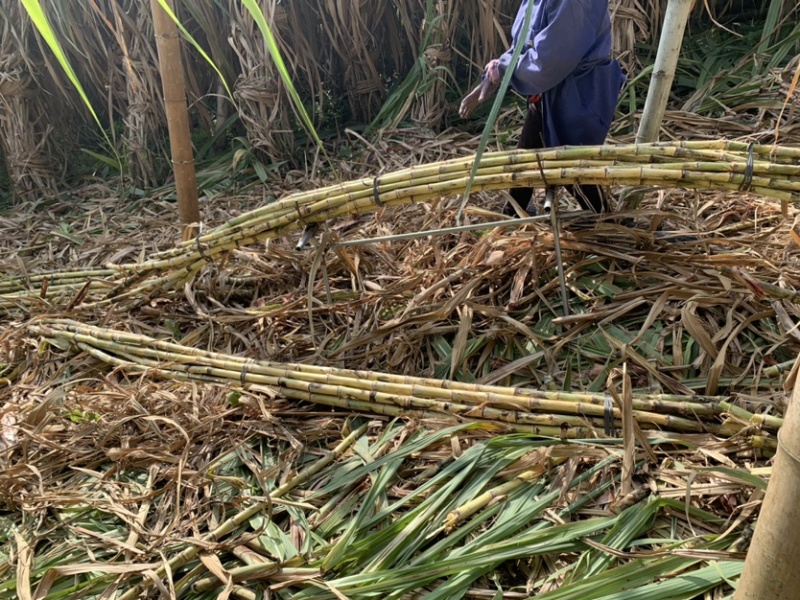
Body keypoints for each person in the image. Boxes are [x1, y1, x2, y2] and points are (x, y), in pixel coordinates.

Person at [460, 0, 626, 215]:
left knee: (568, 161)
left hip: (575, 93)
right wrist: (494, 73)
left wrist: (502, 69)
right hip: (549, 91)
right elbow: (524, 44)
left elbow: (550, 60)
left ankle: (606, 223)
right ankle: (514, 211)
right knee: (534, 153)